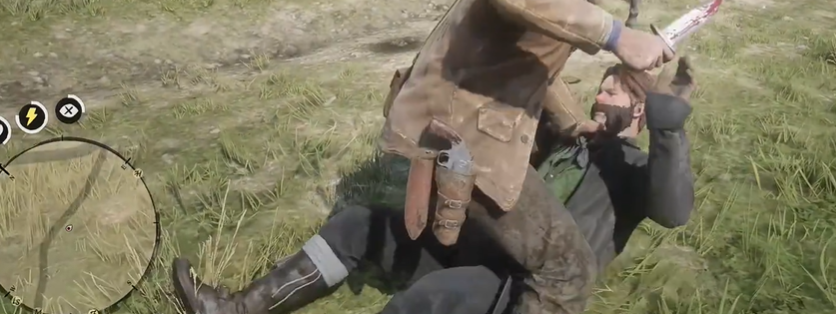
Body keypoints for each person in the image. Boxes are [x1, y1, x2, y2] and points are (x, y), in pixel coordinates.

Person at [172, 0, 674, 314]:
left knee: (359, 227)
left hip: (453, 132)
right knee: (568, 270)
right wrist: (617, 36)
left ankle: (239, 309)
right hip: (473, 142)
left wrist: (568, 121)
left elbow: (530, 62)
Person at [170, 58, 696, 314]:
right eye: (601, 86)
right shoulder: (564, 143)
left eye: (615, 92)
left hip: (521, 282)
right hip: (470, 242)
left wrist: (669, 130)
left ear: (642, 112)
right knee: (357, 225)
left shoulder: (633, 169)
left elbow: (674, 211)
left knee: (426, 302)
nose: (601, 95)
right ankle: (237, 310)